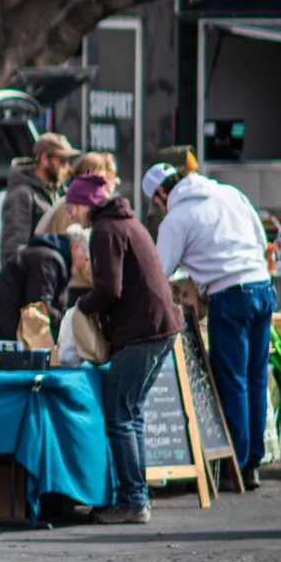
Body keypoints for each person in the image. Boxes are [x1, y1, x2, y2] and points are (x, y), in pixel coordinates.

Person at [147, 161, 276, 490]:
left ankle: (238, 463)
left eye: (157, 203)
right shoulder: (229, 193)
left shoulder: (177, 218)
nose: (160, 209)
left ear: (163, 193)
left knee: (233, 382)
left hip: (229, 296)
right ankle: (253, 464)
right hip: (262, 287)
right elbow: (262, 242)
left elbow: (159, 274)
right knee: (256, 379)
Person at [67, 172, 184, 523]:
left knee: (120, 414)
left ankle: (133, 502)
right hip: (158, 327)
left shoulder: (105, 230)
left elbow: (109, 289)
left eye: (72, 207)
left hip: (143, 331)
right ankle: (136, 497)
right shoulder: (125, 222)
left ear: (86, 204)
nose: (71, 214)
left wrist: (80, 310)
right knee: (130, 414)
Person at [0, 227, 89, 343]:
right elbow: (38, 306)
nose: (86, 265)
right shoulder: (47, 260)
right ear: (75, 247)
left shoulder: (48, 257)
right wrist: (68, 321)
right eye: (87, 258)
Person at [0, 132, 76, 269]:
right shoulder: (22, 195)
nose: (67, 167)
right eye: (62, 160)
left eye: (68, 161)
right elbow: (14, 251)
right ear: (44, 160)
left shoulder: (60, 194)